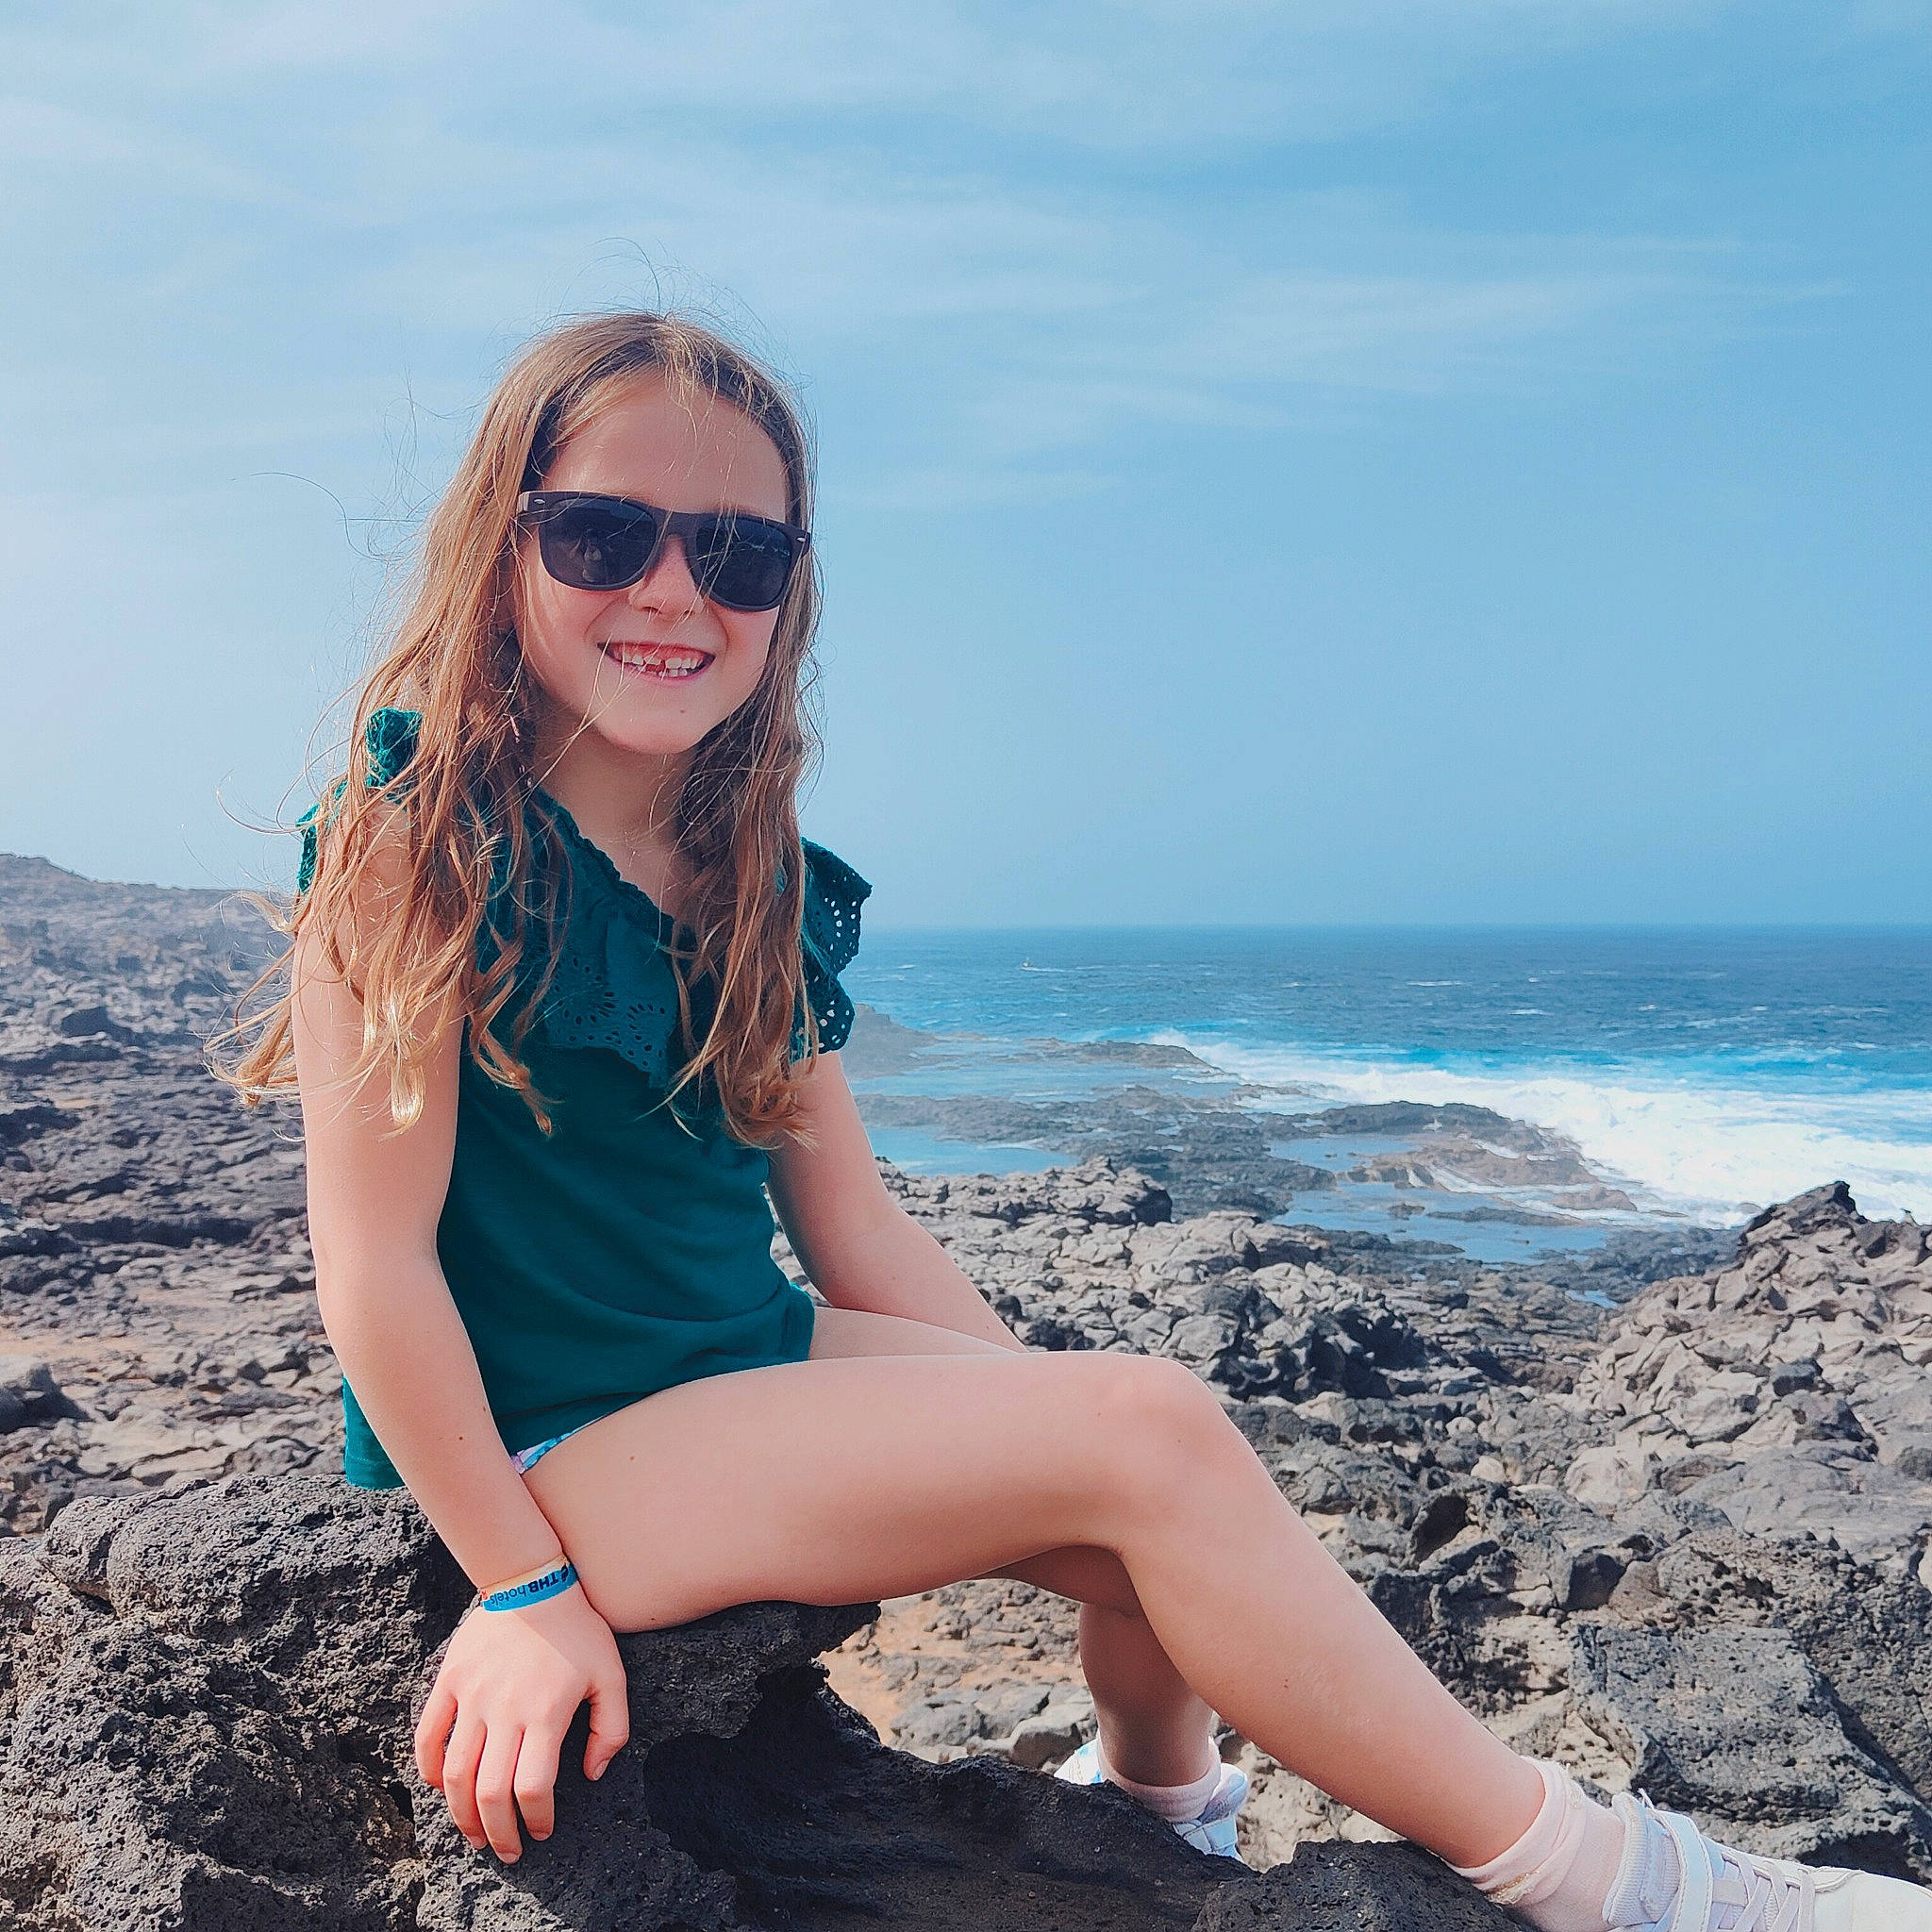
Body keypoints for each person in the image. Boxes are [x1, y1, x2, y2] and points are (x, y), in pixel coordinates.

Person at [213, 310, 1931, 1932]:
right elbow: (374, 1276)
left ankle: (1162, 1814)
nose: (675, 590)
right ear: (505, 547)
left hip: (744, 1369)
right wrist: (518, 1593)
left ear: (787, 595)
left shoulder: (760, 880)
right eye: (605, 536)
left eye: (739, 554)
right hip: (545, 1452)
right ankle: (1611, 1882)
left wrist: (1042, 1413)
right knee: (1146, 1433)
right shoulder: (415, 839)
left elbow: (858, 1234)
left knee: (1154, 1472)